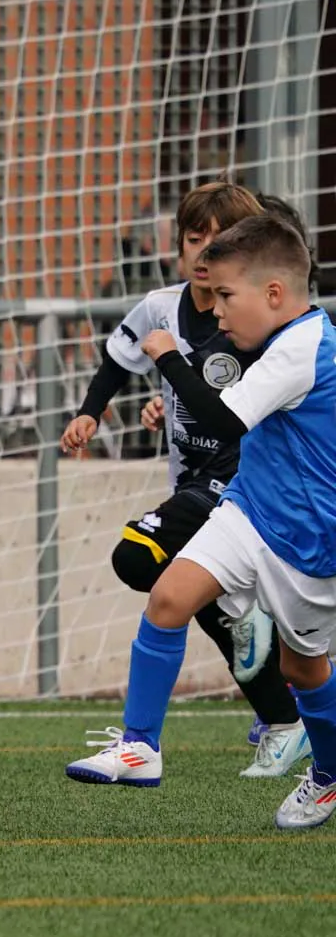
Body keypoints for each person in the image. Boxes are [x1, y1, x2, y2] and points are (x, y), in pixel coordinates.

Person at [65, 214, 336, 830]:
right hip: (250, 507)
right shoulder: (275, 334)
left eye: (227, 297)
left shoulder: (301, 348)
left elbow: (223, 423)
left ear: (274, 293)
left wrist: (166, 358)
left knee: (303, 669)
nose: (216, 312)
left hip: (308, 538)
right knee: (168, 597)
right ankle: (139, 747)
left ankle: (328, 774)